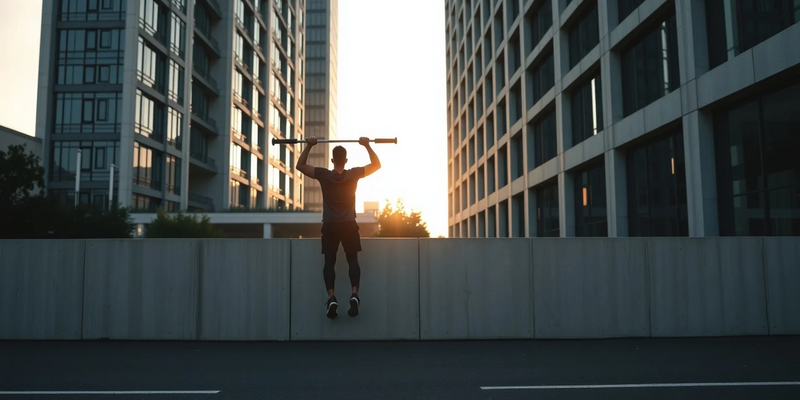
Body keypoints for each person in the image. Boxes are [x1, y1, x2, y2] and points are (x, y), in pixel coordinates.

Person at [296, 137, 381, 318]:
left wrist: (309, 145)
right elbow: (376, 165)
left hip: (330, 225)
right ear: (346, 160)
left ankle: (331, 297)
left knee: (329, 262)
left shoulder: (324, 174)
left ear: (333, 160)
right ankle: (355, 294)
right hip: (349, 224)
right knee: (353, 261)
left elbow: (300, 165)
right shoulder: (354, 173)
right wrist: (367, 145)